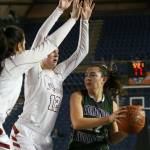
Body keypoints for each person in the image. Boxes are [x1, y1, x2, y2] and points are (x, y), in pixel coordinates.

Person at [10, 0, 95, 149]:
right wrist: (59, 10)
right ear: (42, 54)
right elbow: (41, 36)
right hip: (25, 134)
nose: (56, 54)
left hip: (45, 140)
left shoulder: (59, 74)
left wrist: (85, 21)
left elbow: (82, 52)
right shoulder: (34, 70)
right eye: (52, 51)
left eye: (58, 52)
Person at [68, 64, 128, 150]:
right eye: (86, 75)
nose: (88, 78)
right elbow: (77, 123)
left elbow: (113, 139)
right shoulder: (78, 96)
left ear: (103, 79)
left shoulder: (112, 105)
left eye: (92, 75)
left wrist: (126, 130)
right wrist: (108, 119)